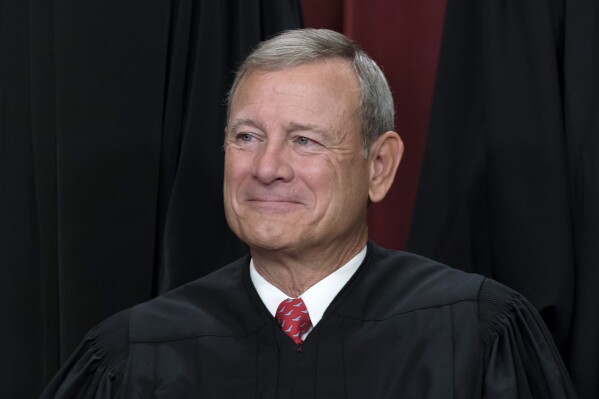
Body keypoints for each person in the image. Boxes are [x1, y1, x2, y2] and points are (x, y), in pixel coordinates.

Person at [42, 28, 577, 398]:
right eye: (247, 136)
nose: (267, 167)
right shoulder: (135, 354)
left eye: (304, 140)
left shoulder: (476, 332)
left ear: (380, 166)